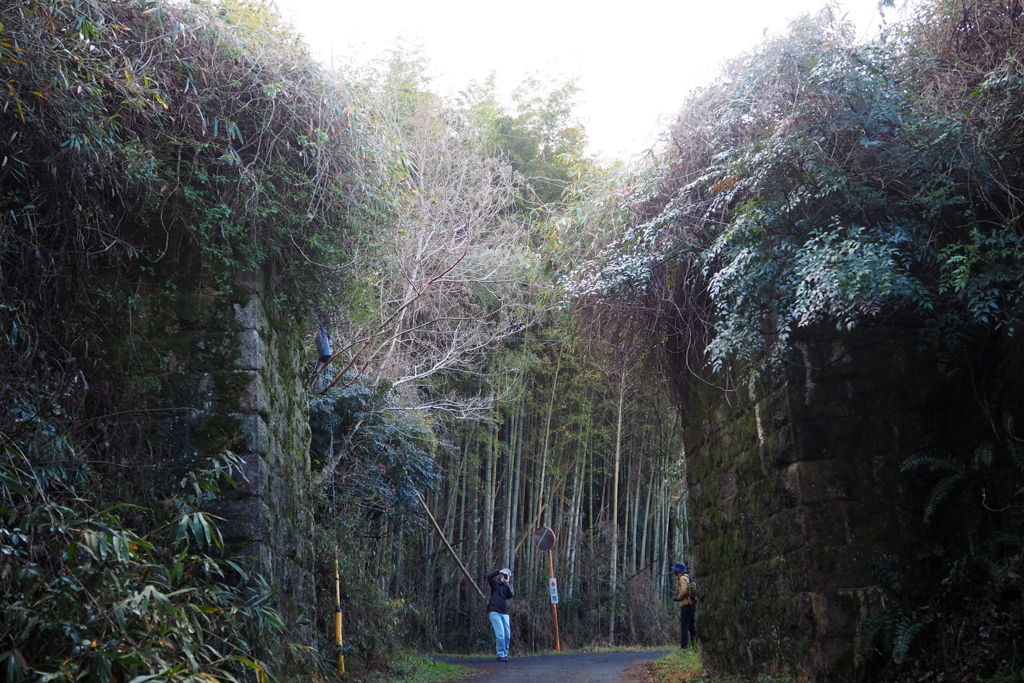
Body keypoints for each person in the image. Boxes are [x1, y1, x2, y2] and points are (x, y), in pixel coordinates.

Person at [486, 568, 514, 662]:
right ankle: (500, 654)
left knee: (507, 635)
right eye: (504, 575)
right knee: (500, 634)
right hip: (495, 611)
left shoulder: (509, 587)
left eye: (507, 576)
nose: (505, 577)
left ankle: (505, 653)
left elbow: (510, 595)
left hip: (505, 612)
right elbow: (489, 576)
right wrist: (499, 572)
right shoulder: (495, 585)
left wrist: (507, 584)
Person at [671, 561, 696, 648]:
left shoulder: (682, 578)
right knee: (691, 626)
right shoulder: (688, 577)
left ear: (680, 571)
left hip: (686, 605)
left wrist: (678, 598)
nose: (675, 573)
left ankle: (684, 646)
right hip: (692, 605)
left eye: (676, 571)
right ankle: (694, 644)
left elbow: (684, 591)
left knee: (684, 626)